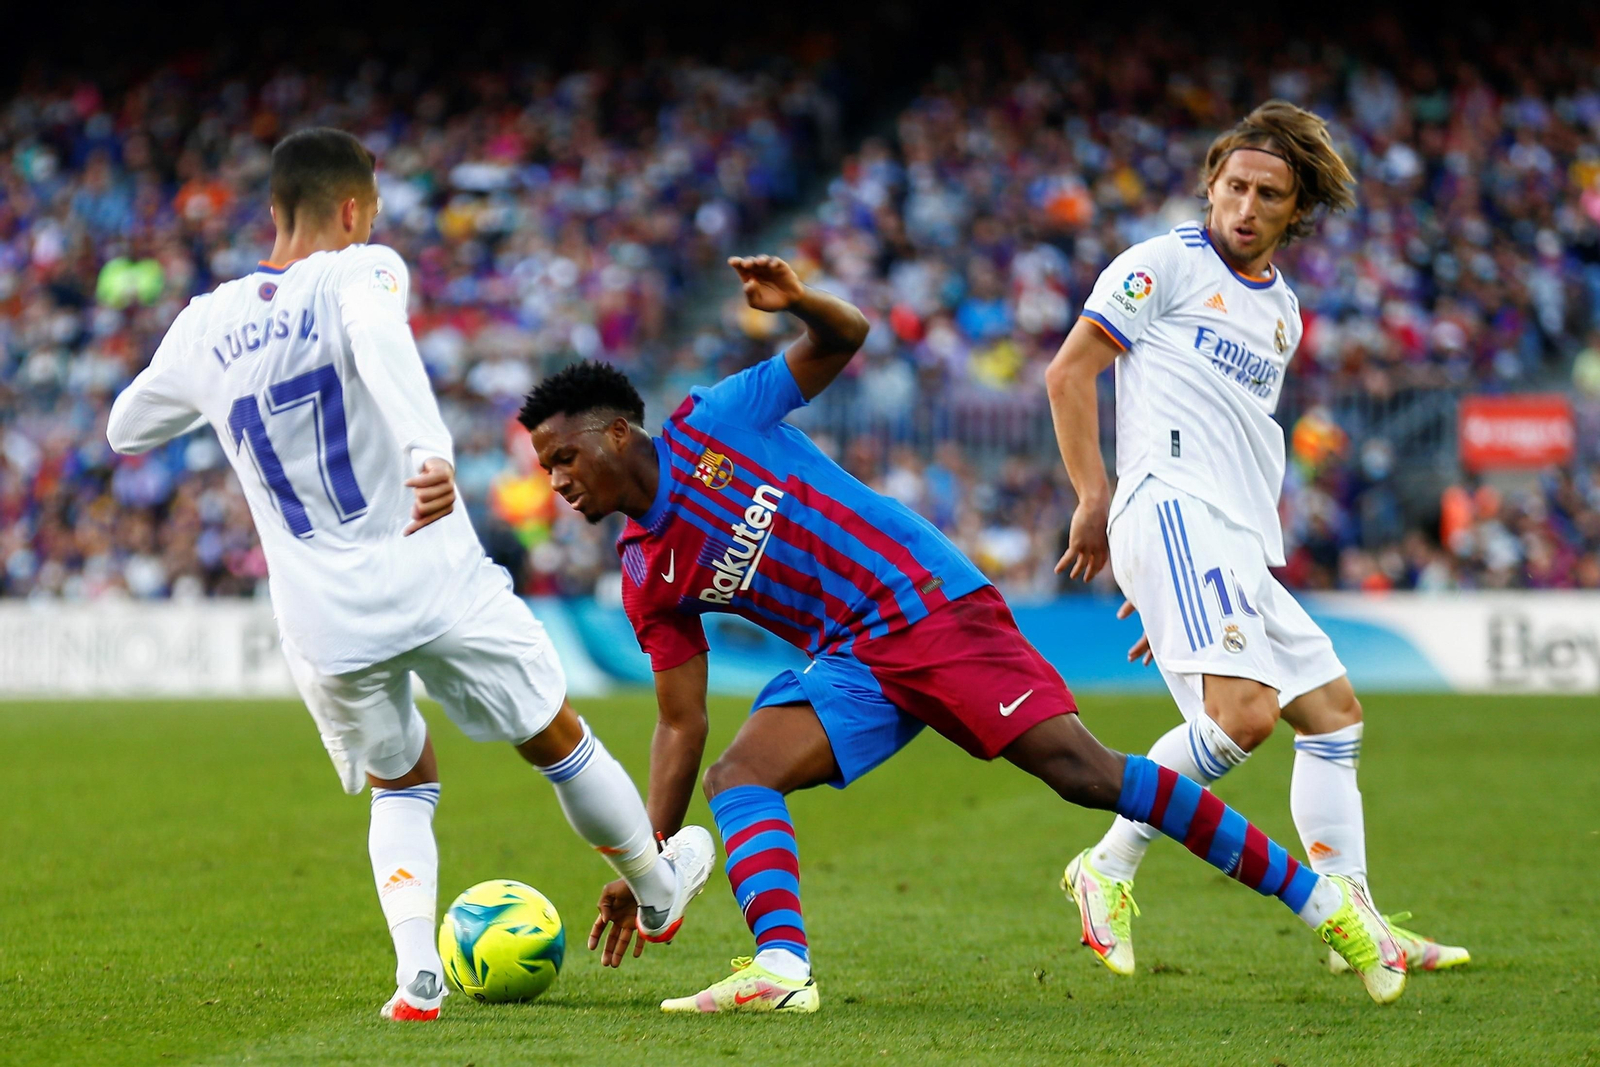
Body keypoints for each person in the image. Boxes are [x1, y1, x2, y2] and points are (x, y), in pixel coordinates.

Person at [518, 253, 1409, 1014]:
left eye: (564, 456)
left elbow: (844, 337)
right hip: (855, 657)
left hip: (933, 607)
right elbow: (680, 721)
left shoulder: (715, 422)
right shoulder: (643, 572)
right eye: (545, 466)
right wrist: (647, 866)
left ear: (618, 433)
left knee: (1086, 775)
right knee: (741, 773)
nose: (557, 481)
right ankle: (784, 967)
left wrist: (799, 302)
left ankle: (1320, 898)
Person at [106, 127, 713, 1022]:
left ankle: (416, 972)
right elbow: (379, 336)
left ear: (275, 211)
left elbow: (125, 428)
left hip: (321, 615)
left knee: (403, 782)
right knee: (554, 736)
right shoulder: (361, 269)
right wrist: (429, 447)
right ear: (352, 210)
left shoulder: (203, 325)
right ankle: (655, 888)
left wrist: (206, 386)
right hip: (430, 570)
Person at [1044, 100, 1468, 980]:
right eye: (1233, 185)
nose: (1244, 205)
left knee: (1334, 715)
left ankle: (1357, 917)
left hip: (1230, 536)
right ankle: (1106, 866)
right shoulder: (1164, 263)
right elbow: (1068, 370)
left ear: (1295, 212)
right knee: (1242, 718)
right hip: (1169, 504)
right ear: (1211, 185)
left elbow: (1226, 427)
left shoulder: (1286, 315)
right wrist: (1100, 499)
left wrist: (1173, 579)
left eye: (1266, 194)